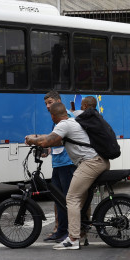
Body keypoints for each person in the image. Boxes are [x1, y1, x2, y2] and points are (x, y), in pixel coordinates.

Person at [25, 102, 109, 250]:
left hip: (91, 163)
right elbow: (52, 140)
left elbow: (47, 140)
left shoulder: (64, 124)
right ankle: (81, 235)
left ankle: (73, 239)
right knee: (80, 201)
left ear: (52, 115)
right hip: (97, 161)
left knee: (71, 198)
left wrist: (32, 139)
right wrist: (41, 141)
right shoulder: (71, 122)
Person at [42, 91, 77, 243]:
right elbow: (56, 139)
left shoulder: (66, 117)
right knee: (59, 200)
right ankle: (61, 231)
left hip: (67, 164)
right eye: (46, 104)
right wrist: (48, 149)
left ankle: (69, 232)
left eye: (50, 102)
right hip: (58, 163)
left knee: (66, 199)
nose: (47, 106)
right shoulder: (55, 118)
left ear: (58, 101)